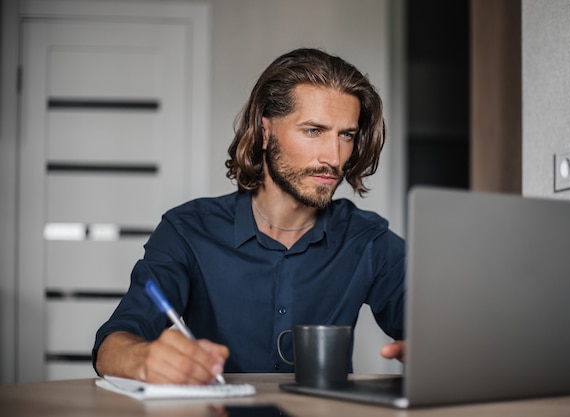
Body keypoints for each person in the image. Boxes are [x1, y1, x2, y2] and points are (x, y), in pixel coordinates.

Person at [93, 48, 405, 385]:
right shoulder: (188, 231)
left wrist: (436, 349)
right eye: (314, 130)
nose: (334, 157)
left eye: (346, 135)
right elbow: (114, 343)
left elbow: (438, 331)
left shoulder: (367, 239)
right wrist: (144, 359)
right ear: (266, 131)